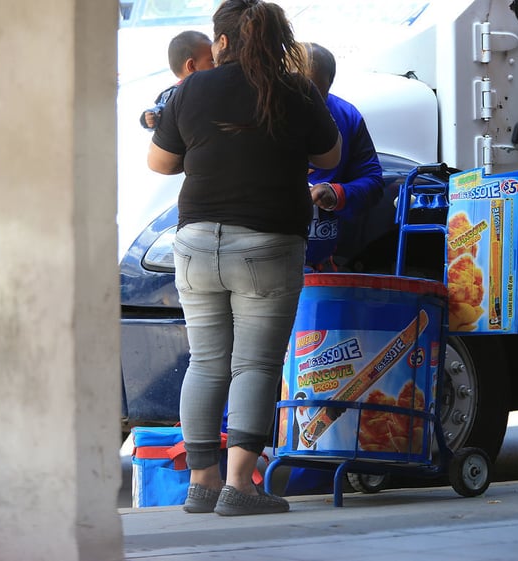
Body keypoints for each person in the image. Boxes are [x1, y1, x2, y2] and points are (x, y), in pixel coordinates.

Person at [147, 0, 341, 516]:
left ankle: (203, 482)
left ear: (223, 42)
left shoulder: (192, 87)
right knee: (253, 364)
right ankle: (240, 485)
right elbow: (330, 157)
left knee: (206, 362)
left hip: (194, 244)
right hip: (267, 245)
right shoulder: (294, 90)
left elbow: (159, 162)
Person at [302, 43, 384, 271]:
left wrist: (337, 194)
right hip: (266, 264)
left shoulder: (347, 116)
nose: (307, 103)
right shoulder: (258, 114)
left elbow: (374, 182)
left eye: (316, 95)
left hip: (321, 266)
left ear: (328, 86)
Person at [139, 30, 214, 131]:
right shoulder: (174, 94)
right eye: (212, 61)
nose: (218, 64)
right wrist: (152, 116)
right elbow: (161, 110)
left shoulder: (211, 86)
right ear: (191, 66)